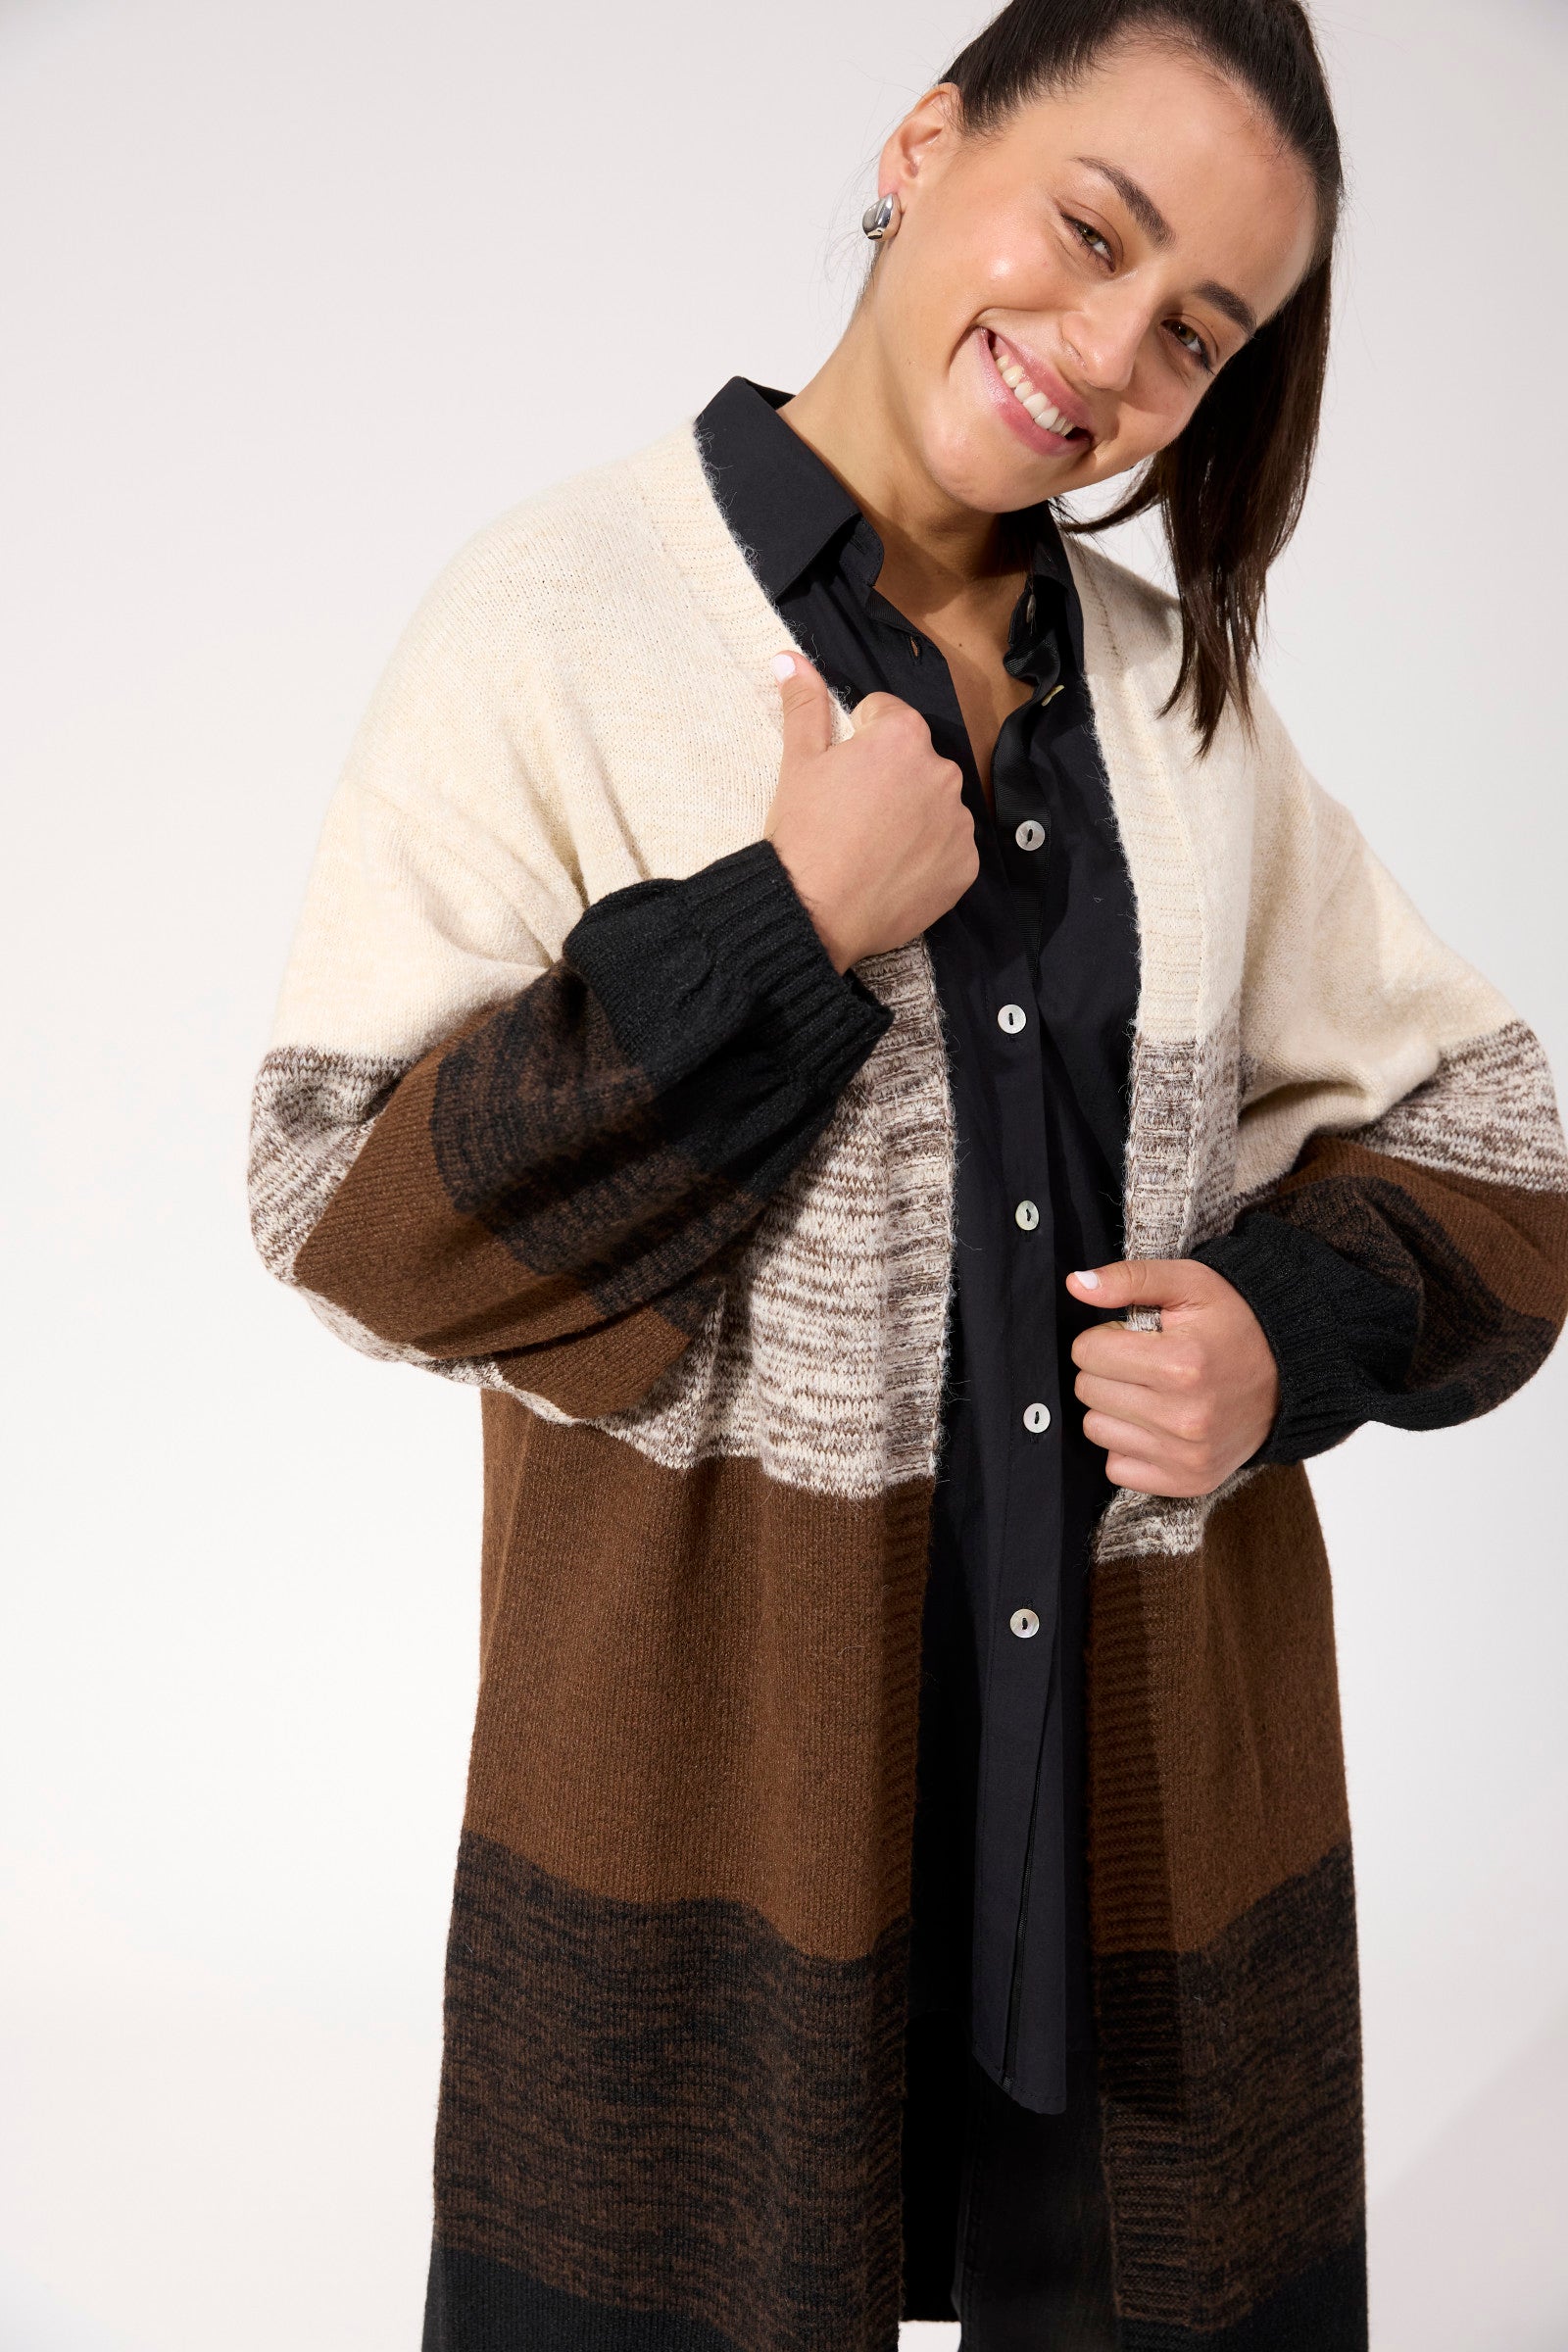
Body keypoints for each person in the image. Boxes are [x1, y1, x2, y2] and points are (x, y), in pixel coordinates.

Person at [248, 2, 1568, 2345]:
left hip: (1144, 1852)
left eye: (1195, 333)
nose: (1107, 357)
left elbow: (1501, 1143)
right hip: (708, 1838)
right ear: (924, 140)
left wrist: (1284, 1333)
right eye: (1091, 234)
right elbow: (342, 1217)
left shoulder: (1170, 702)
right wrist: (784, 925)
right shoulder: (559, 615)